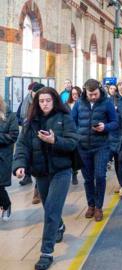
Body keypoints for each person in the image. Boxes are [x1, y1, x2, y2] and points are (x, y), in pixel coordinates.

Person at [12, 87, 78, 270]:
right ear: (36, 103)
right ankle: (59, 226)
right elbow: (22, 146)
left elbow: (73, 142)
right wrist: (19, 166)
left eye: (48, 100)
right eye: (41, 101)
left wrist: (55, 141)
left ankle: (46, 253)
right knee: (49, 208)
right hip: (40, 173)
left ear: (54, 100)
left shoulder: (64, 118)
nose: (45, 104)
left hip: (61, 171)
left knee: (50, 210)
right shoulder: (30, 122)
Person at [71, 79, 118, 222]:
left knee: (100, 176)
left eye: (95, 94)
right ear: (85, 91)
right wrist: (77, 134)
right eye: (90, 94)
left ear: (100, 90)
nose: (93, 97)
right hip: (83, 147)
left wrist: (105, 127)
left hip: (101, 146)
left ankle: (98, 207)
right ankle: (90, 205)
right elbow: (72, 121)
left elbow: (115, 122)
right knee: (88, 178)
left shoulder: (107, 103)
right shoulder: (79, 103)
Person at [0, 94, 19, 221]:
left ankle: (6, 204)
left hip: (2, 157)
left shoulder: (10, 116)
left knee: (0, 186)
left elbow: (13, 135)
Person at [66, 86, 82, 185]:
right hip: (68, 132)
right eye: (73, 94)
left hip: (78, 132)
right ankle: (71, 172)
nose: (75, 96)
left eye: (76, 94)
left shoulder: (82, 104)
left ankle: (74, 173)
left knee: (76, 153)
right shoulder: (66, 105)